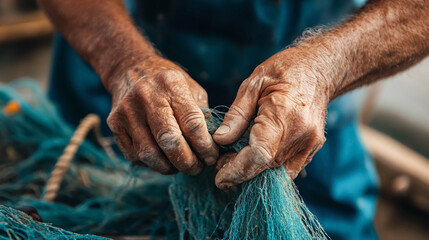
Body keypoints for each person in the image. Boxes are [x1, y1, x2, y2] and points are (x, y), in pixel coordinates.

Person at [39, 0, 428, 239]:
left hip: (310, 106)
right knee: (74, 207)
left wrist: (327, 70)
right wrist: (121, 61)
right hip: (122, 74)